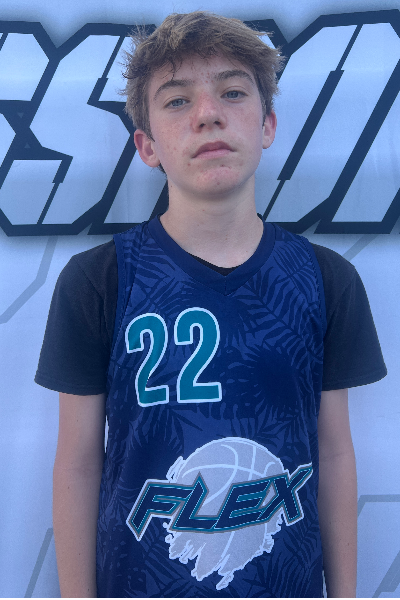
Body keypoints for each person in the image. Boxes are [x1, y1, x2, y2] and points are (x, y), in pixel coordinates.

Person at [35, 11, 387, 599]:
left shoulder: (327, 279)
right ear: (147, 145)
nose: (208, 114)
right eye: (177, 101)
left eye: (232, 92)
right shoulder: (98, 280)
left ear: (267, 124)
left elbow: (332, 452)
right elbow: (77, 462)